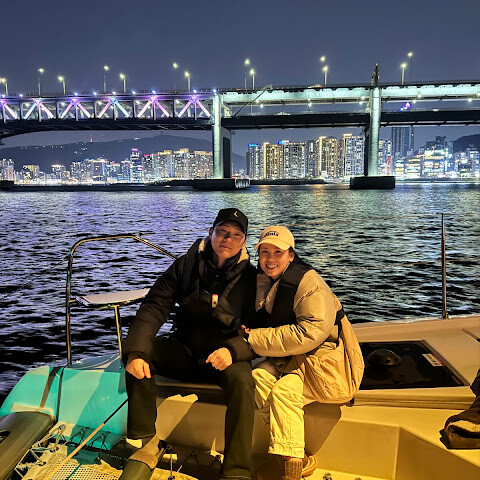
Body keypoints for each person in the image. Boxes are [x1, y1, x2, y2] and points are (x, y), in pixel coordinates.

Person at [122, 208, 257, 480]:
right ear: (211, 232)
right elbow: (154, 306)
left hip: (223, 356)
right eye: (222, 232)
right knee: (140, 350)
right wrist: (135, 352)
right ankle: (144, 440)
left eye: (236, 235)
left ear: (244, 242)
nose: (227, 239)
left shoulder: (252, 278)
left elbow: (261, 328)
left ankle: (237, 471)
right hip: (184, 350)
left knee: (244, 382)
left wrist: (234, 350)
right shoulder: (185, 266)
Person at [221, 225, 347, 480]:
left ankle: (292, 470)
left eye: (278, 252)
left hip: (321, 358)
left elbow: (310, 333)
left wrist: (253, 338)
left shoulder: (310, 284)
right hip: (290, 357)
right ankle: (291, 452)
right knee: (256, 378)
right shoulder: (268, 281)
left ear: (291, 255)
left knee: (284, 392)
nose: (270, 259)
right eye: (264, 252)